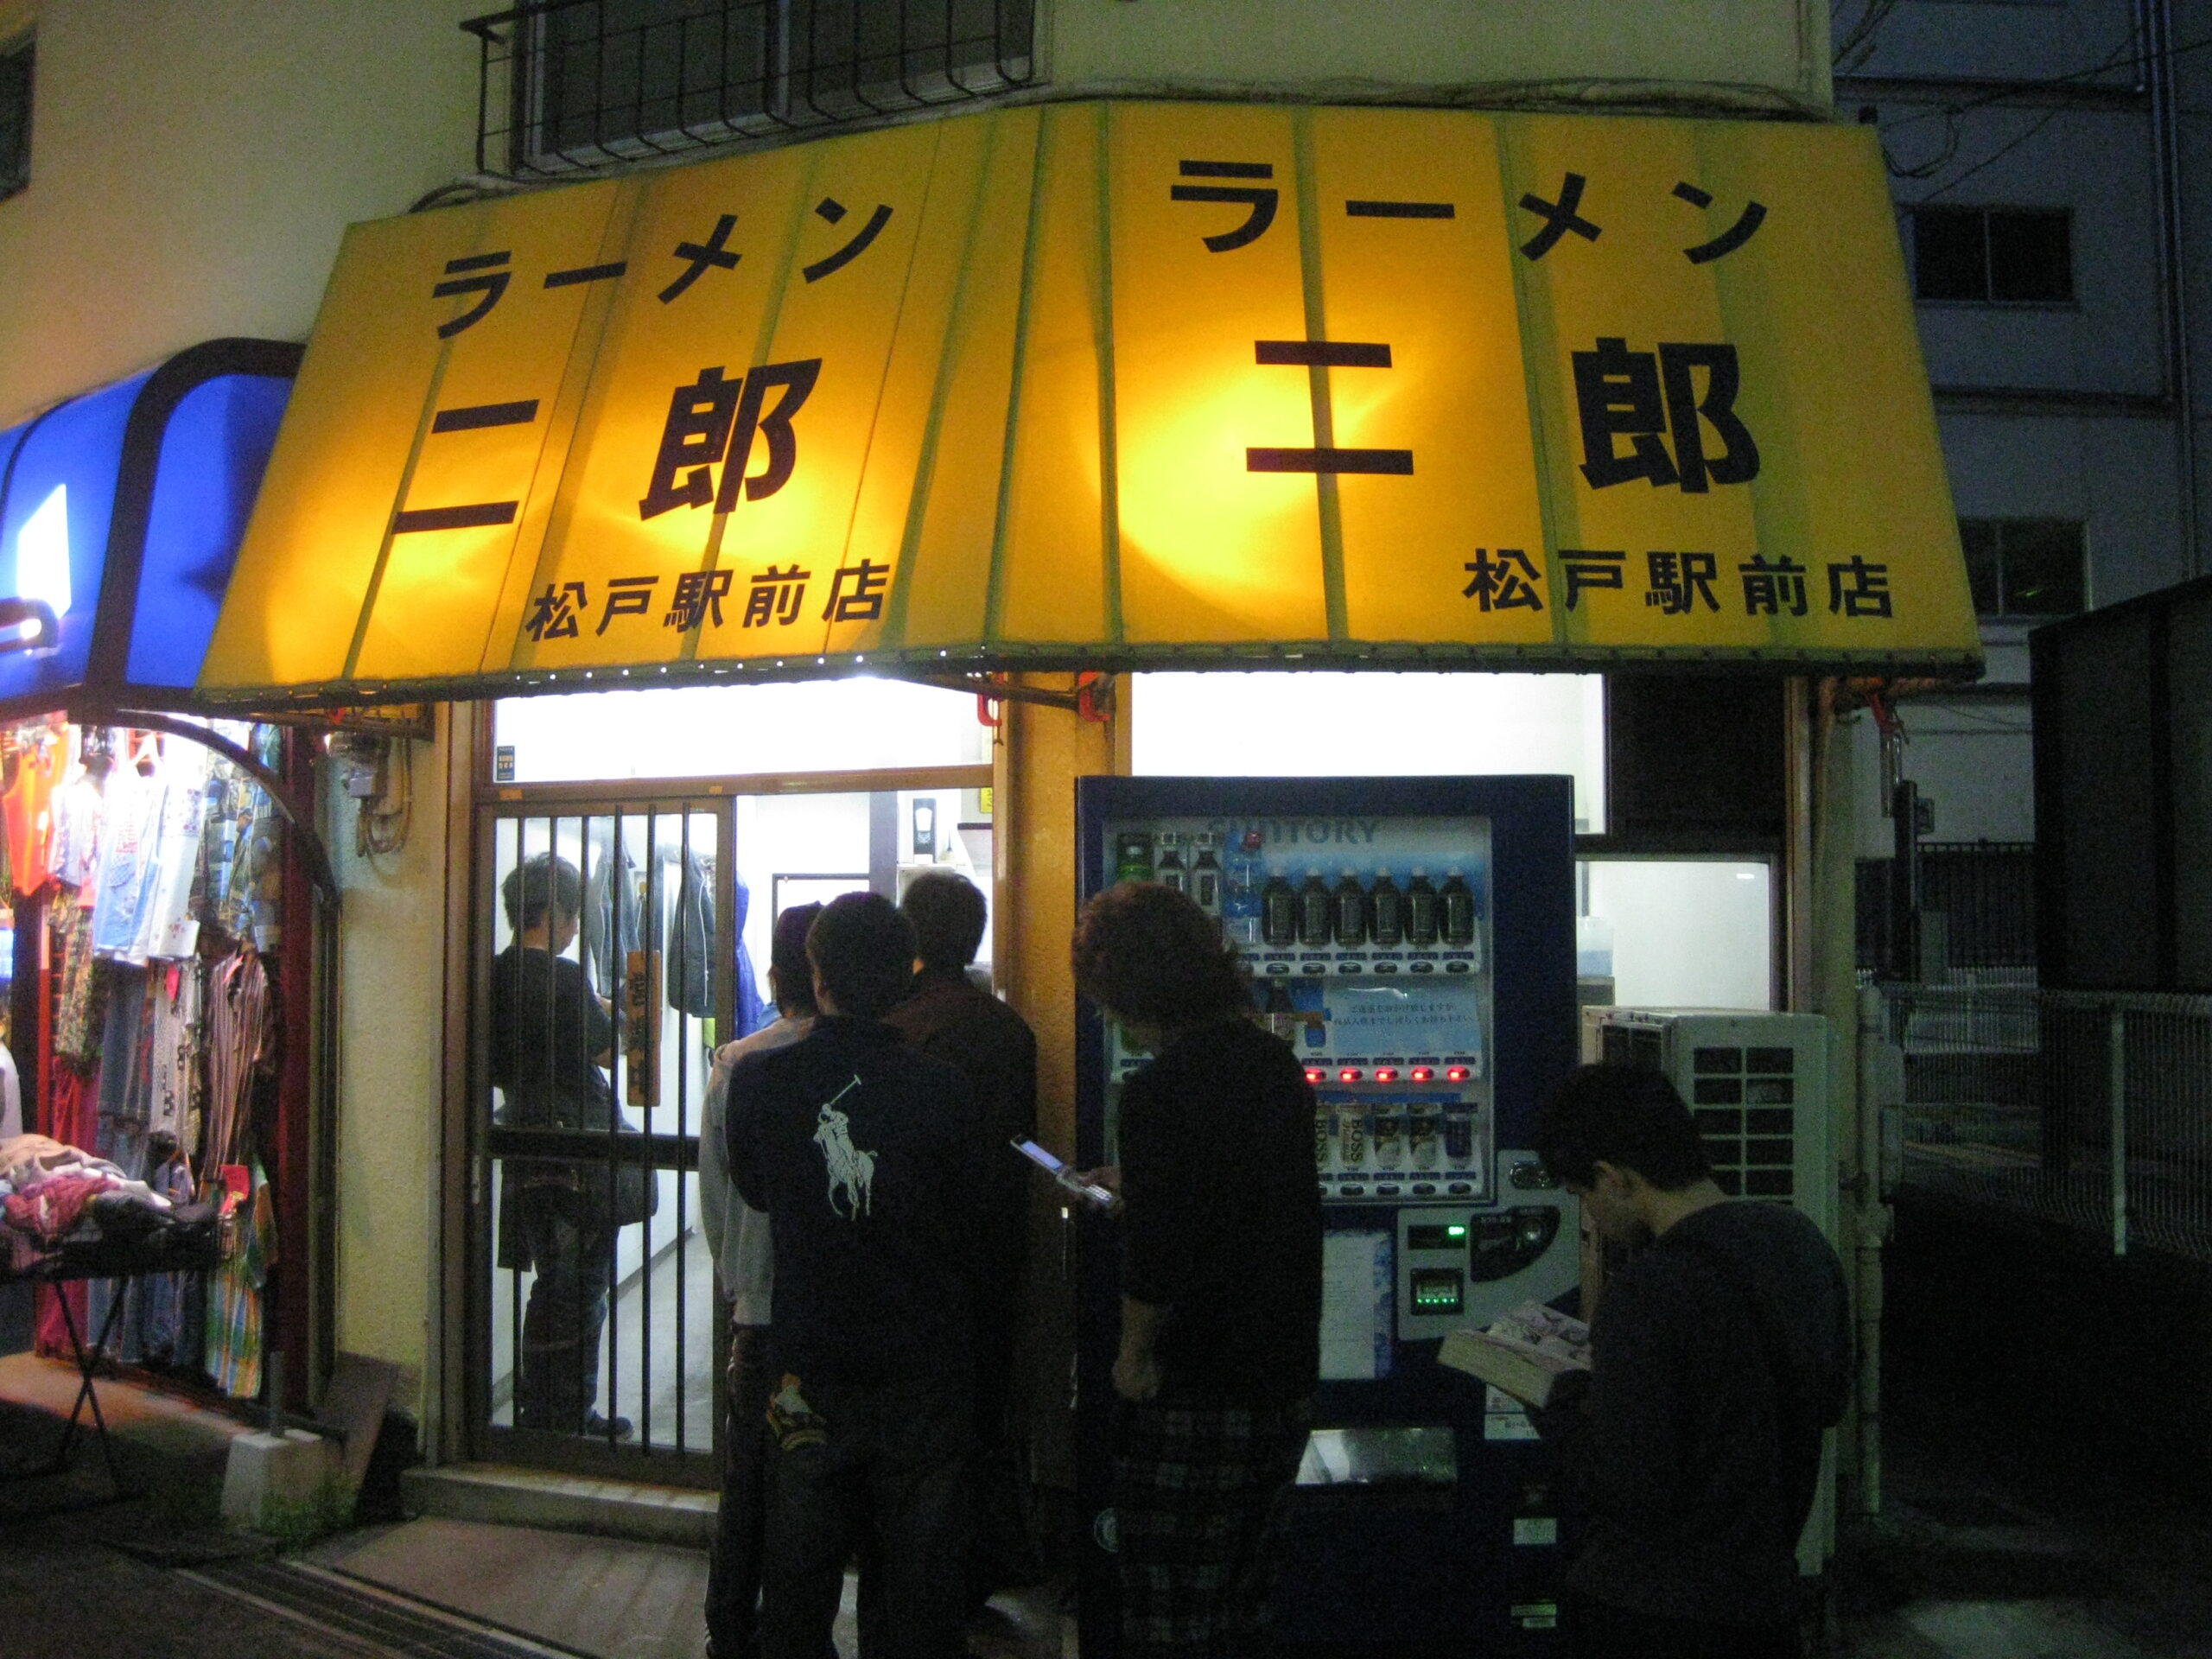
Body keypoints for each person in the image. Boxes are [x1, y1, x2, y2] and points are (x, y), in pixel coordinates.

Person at [727, 893, 989, 1659]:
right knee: (917, 1593)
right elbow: (967, 1216)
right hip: (924, 1374)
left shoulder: (760, 1083)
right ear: (907, 971)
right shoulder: (943, 1089)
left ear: (816, 970)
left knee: (797, 1584)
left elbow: (758, 1191)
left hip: (805, 1371)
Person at [1071, 881, 1322, 1659]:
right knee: (1247, 1604)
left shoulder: (1158, 1091)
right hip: (1281, 1372)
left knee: (1172, 1614)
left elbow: (1164, 1257)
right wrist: (1140, 1186)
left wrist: (1131, 1356)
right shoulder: (1272, 1062)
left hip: (1198, 1383)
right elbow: (1241, 1198)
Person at [1530, 1064, 1852, 1659]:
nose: (1590, 1214)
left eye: (1582, 1195)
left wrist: (1552, 1398)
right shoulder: (1802, 1242)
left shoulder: (1648, 1289)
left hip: (1652, 1610)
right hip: (1766, 1602)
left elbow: (1633, 1490)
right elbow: (1830, 1399)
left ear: (1613, 1178)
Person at [885, 870, 1041, 1607]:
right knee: (982, 1412)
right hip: (993, 1258)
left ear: (909, 939)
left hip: (911, 1266)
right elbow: (1018, 1148)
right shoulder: (1009, 1031)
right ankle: (975, 1571)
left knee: (915, 1431)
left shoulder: (896, 1030)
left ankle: (917, 1576)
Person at [700, 901, 822, 1659]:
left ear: (775, 976)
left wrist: (740, 1288)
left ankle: (730, 1636)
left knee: (747, 1484)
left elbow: (717, 1202)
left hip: (762, 1317)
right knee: (816, 1486)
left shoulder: (737, 1068)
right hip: (841, 1322)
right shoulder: (863, 1065)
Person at [489, 851, 645, 1440]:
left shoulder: (496, 976)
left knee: (549, 1284)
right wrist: (625, 1019)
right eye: (575, 913)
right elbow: (607, 1051)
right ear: (552, 912)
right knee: (584, 1288)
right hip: (577, 1152)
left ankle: (538, 1412)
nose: (577, 925)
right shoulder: (563, 976)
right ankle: (572, 1417)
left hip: (523, 1147)